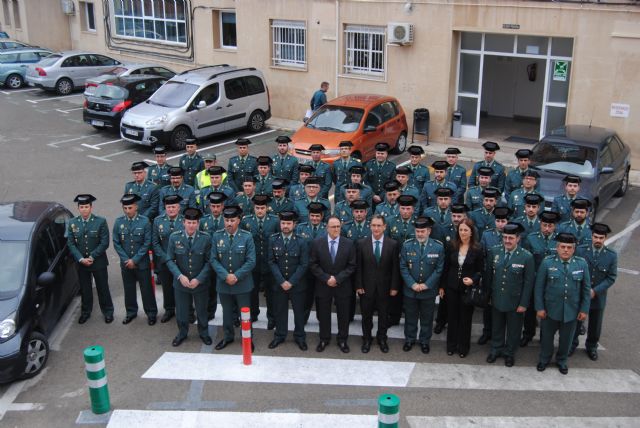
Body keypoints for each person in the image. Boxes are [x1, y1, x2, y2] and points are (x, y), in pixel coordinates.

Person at [535, 233, 591, 374]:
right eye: (563, 247)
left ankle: (562, 360)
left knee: (566, 339)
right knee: (547, 338)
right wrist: (540, 308)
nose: (565, 250)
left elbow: (585, 289)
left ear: (573, 249)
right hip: (550, 309)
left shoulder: (581, 263)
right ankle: (544, 359)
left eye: (569, 247)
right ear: (557, 247)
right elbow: (539, 287)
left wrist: (584, 310)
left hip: (571, 310)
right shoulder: (547, 262)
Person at [485, 222, 535, 367]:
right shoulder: (494, 251)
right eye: (505, 237)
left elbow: (528, 283)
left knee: (514, 330)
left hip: (515, 301)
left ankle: (510, 353)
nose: (507, 241)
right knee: (497, 326)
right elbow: (489, 276)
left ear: (518, 239)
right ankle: (496, 349)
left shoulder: (526, 257)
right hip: (497, 298)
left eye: (511, 238)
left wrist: (524, 303)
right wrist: (488, 296)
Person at [210, 206, 257, 351]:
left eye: (232, 220)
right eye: (227, 220)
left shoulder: (246, 236)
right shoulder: (217, 236)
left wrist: (236, 276)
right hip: (224, 283)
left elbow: (251, 261)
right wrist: (226, 276)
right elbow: (213, 259)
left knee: (245, 313)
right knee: (227, 312)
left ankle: (247, 338)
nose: (229, 223)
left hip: (242, 283)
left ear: (239, 220)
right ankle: (228, 336)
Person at [309, 216, 357, 353]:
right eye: (333, 227)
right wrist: (326, 278)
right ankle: (324, 338)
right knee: (323, 313)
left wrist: (337, 278)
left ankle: (343, 340)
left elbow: (352, 265)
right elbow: (313, 264)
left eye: (338, 227)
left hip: (342, 285)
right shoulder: (317, 243)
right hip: (323, 285)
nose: (336, 229)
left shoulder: (349, 243)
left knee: (343, 314)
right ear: (327, 228)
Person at [570, 223, 617, 361]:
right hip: (580, 294)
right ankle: (572, 344)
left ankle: (591, 347)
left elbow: (611, 277)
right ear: (591, 236)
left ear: (605, 238)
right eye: (595, 237)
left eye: (601, 238)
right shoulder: (580, 251)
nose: (598, 240)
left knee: (595, 324)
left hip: (598, 296)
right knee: (576, 321)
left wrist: (595, 291)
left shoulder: (611, 256)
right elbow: (574, 269)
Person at [166, 208, 212, 346]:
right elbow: (169, 260)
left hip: (200, 282)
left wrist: (199, 279)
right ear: (183, 222)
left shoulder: (205, 238)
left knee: (202, 310)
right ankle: (182, 333)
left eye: (194, 223)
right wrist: (180, 276)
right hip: (181, 283)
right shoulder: (175, 237)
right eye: (188, 222)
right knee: (181, 311)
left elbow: (210, 261)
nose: (191, 225)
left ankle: (204, 333)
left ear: (198, 224)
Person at [399, 216, 445, 354]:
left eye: (423, 231)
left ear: (429, 231)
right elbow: (403, 267)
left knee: (427, 317)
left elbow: (439, 269)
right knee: (410, 316)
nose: (420, 234)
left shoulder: (438, 247)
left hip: (428, 291)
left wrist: (427, 285)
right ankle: (410, 339)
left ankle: (424, 341)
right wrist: (412, 284)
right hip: (410, 289)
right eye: (417, 231)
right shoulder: (407, 245)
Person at [355, 215, 400, 353]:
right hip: (366, 288)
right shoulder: (361, 243)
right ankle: (367, 339)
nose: (376, 228)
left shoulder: (393, 244)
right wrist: (358, 285)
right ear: (370, 226)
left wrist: (394, 287)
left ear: (384, 227)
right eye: (374, 225)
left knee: (383, 316)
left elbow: (395, 268)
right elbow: (358, 267)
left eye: (379, 225)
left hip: (385, 288)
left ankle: (382, 338)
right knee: (366, 316)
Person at [67, 194, 114, 324]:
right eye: (81, 207)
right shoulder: (72, 223)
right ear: (78, 208)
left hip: (98, 262)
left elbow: (104, 242)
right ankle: (86, 312)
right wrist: (80, 258)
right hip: (82, 263)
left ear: (91, 207)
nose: (84, 209)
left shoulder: (100, 221)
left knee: (103, 288)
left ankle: (108, 312)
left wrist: (92, 256)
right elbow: (71, 243)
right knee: (85, 289)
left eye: (86, 207)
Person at [441, 218, 484, 357]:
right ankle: (451, 345)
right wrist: (442, 286)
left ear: (471, 232)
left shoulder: (477, 249)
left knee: (465, 319)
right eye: (460, 230)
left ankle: (463, 348)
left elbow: (480, 270)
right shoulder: (452, 245)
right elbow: (446, 267)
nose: (463, 232)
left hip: (467, 289)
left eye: (466, 230)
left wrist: (473, 280)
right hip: (452, 287)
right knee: (452, 317)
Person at [267, 211, 310, 350]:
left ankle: (300, 337)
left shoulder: (301, 241)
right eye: (283, 223)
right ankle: (279, 335)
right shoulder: (273, 239)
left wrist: (291, 282)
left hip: (297, 284)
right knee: (280, 311)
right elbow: (271, 261)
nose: (285, 226)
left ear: (294, 224)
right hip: (279, 284)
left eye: (288, 223)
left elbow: (304, 264)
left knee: (299, 312)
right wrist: (281, 281)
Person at [112, 194, 158, 325]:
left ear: (136, 207)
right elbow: (116, 242)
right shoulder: (119, 222)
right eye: (125, 208)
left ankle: (151, 313)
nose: (127, 211)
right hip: (126, 264)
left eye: (130, 207)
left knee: (147, 289)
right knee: (129, 289)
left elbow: (147, 243)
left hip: (141, 263)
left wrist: (135, 260)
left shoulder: (144, 221)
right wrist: (126, 259)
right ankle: (131, 312)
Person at [521, 210, 560, 347]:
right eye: (544, 225)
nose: (547, 229)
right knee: (531, 309)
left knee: (548, 310)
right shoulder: (531, 238)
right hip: (535, 280)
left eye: (550, 226)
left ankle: (545, 336)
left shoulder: (559, 241)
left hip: (552, 282)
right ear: (540, 224)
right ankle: (528, 333)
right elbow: (526, 260)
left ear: (555, 226)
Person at [241, 195, 280, 326]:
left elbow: (278, 241)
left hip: (269, 263)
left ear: (267, 208)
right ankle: (253, 314)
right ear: (254, 208)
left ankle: (272, 317)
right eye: (257, 208)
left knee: (271, 292)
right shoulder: (246, 221)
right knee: (252, 291)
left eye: (262, 208)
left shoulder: (274, 221)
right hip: (253, 263)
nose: (260, 211)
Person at [152, 195, 184, 324]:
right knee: (167, 286)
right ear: (165, 207)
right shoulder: (158, 221)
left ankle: (186, 310)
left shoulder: (184, 220)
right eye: (168, 207)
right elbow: (155, 243)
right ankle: (169, 309)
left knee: (183, 287)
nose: (171, 209)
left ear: (179, 207)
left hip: (181, 260)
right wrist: (166, 258)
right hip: (165, 261)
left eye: (173, 207)